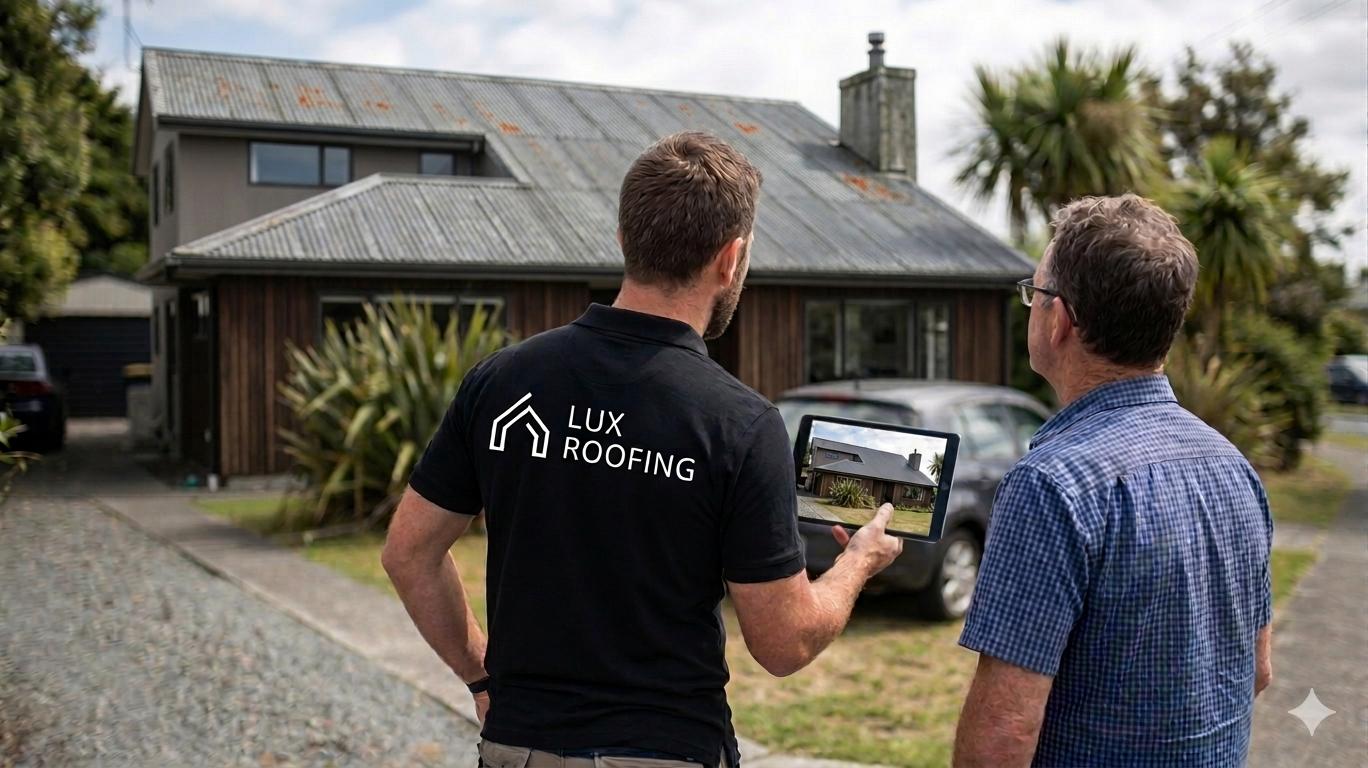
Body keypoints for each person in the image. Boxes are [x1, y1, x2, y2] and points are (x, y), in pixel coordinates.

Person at [382, 131, 902, 768]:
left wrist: (481, 675)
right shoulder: (740, 423)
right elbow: (783, 643)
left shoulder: (502, 380)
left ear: (625, 240)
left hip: (516, 747)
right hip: (665, 750)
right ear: (731, 259)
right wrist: (859, 562)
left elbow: (408, 553)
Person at [953, 194, 1274, 768]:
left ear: (1060, 320)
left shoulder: (1050, 485)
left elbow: (1003, 733)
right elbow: (1258, 669)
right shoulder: (1234, 467)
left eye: (1034, 292)